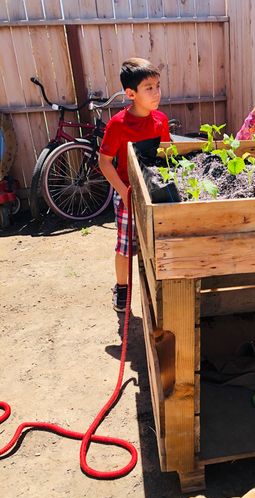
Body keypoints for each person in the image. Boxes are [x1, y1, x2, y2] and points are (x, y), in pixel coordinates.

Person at [99, 57, 170, 312]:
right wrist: (124, 192)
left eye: (158, 86)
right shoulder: (118, 124)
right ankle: (122, 288)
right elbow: (104, 162)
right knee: (126, 246)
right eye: (148, 88)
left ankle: (158, 283)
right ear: (131, 93)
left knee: (159, 241)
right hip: (127, 191)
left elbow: (166, 155)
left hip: (153, 191)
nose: (156, 92)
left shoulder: (160, 119)